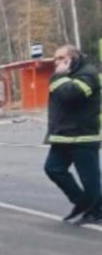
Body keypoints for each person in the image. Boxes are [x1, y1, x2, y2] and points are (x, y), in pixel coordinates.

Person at [45, 45, 101, 224]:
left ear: (73, 58)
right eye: (55, 59)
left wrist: (58, 76)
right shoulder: (66, 77)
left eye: (61, 58)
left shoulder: (89, 74)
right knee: (53, 168)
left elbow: (71, 95)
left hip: (83, 135)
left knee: (90, 179)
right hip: (63, 135)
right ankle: (83, 202)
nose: (57, 62)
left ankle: (97, 211)